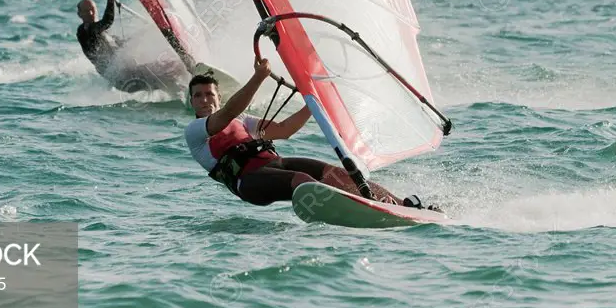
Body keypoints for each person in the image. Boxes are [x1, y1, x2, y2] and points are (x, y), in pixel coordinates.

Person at [185, 57, 441, 210]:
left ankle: (400, 203)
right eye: (198, 96)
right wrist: (259, 77)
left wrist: (313, 101)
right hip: (248, 181)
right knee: (301, 179)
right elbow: (226, 113)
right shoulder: (195, 132)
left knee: (336, 173)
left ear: (218, 97)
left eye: (209, 94)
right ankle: (357, 208)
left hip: (276, 164)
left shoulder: (243, 122)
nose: (204, 99)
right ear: (191, 101)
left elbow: (285, 130)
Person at [76, 0, 183, 92]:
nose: (91, 13)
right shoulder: (85, 30)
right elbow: (107, 21)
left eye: (92, 9)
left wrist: (143, 33)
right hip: (123, 76)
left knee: (168, 73)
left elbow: (121, 45)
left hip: (125, 76)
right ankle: (189, 74)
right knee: (170, 70)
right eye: (86, 11)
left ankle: (185, 91)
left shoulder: (101, 33)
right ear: (79, 14)